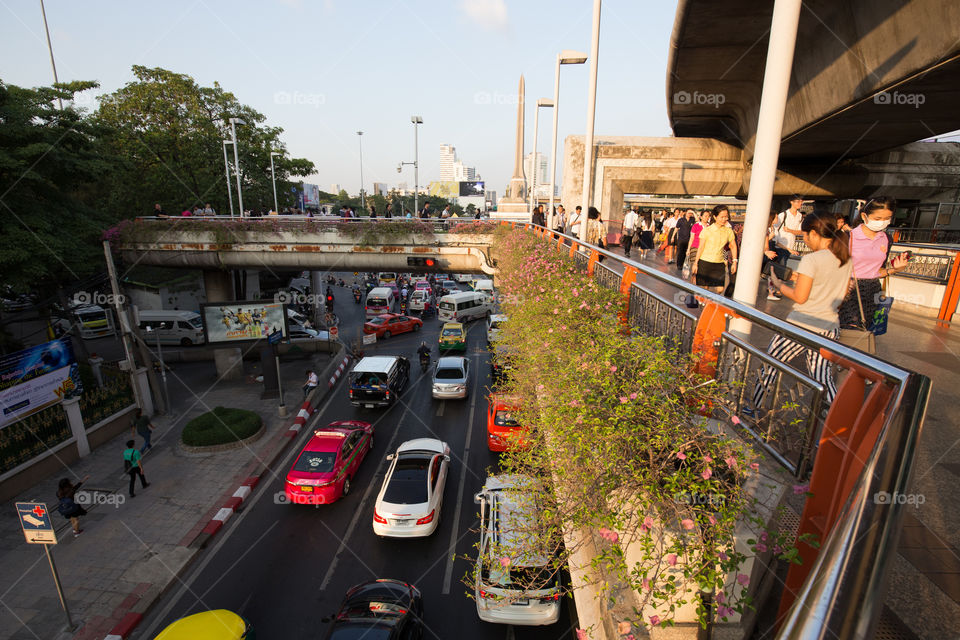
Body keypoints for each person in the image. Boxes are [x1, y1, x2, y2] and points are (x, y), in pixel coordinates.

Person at [751, 211, 853, 409]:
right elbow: (839, 293)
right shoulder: (846, 259)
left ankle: (754, 407)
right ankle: (835, 416)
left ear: (814, 233)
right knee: (822, 376)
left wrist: (779, 284)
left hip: (803, 325)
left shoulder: (812, 260)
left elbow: (800, 297)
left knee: (770, 364)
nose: (805, 240)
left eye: (805, 236)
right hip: (829, 326)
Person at [837, 197, 909, 334]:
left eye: (887, 218)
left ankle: (858, 355)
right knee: (850, 330)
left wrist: (894, 270)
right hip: (849, 289)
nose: (882, 222)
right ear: (864, 216)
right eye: (878, 218)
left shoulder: (886, 239)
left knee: (867, 331)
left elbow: (878, 271)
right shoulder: (848, 237)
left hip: (873, 290)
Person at [692, 205, 737, 294]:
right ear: (715, 217)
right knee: (704, 287)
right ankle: (705, 304)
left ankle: (710, 301)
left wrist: (734, 262)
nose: (724, 219)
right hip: (705, 261)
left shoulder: (728, 231)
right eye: (722, 217)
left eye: (726, 217)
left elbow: (733, 246)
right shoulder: (707, 230)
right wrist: (695, 263)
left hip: (719, 263)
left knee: (720, 289)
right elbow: (701, 247)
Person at [774, 195, 805, 259]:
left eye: (801, 201)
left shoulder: (800, 216)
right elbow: (774, 229)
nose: (800, 203)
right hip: (780, 247)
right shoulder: (783, 215)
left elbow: (800, 232)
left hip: (790, 247)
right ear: (791, 202)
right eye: (798, 201)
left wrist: (790, 230)